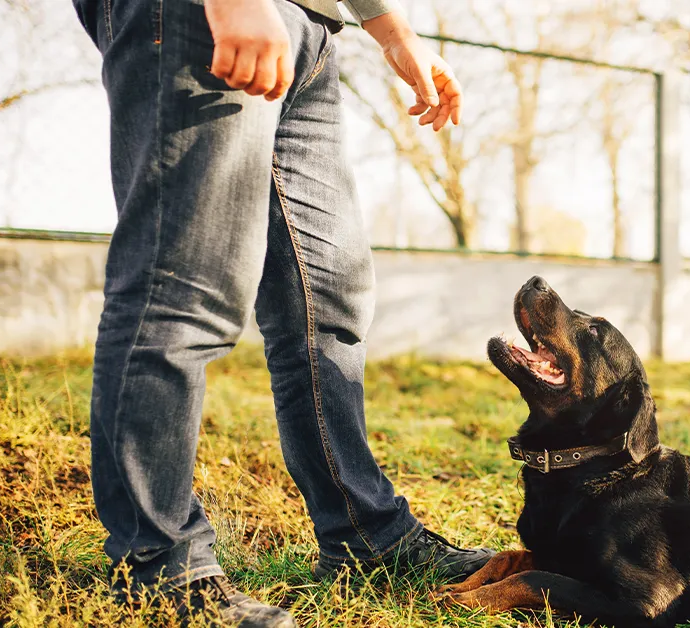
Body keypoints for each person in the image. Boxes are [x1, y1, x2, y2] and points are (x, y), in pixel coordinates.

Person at [68, 0, 493, 624]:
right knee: (182, 289)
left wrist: (392, 31)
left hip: (313, 29)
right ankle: (158, 571)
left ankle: (368, 539)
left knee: (326, 301)